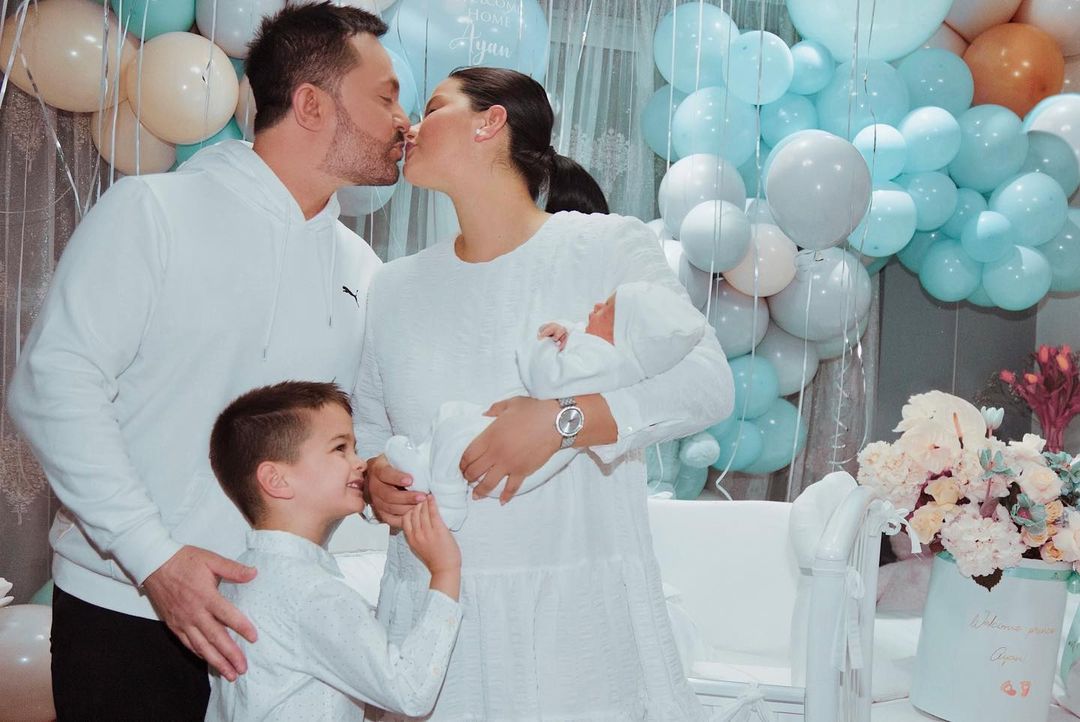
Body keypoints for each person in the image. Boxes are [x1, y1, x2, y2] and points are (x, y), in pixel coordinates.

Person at [5, 3, 409, 718]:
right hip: (128, 608)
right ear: (311, 105)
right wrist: (154, 558)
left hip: (278, 631)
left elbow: (358, 431)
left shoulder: (362, 268)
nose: (404, 121)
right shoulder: (153, 211)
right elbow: (53, 387)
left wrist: (379, 475)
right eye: (385, 98)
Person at [358, 66, 734, 720]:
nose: (410, 127)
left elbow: (708, 382)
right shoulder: (393, 287)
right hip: (430, 623)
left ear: (490, 121)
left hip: (570, 630)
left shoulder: (603, 247)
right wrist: (375, 480)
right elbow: (369, 427)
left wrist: (562, 421)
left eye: (433, 107)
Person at [204, 381, 462, 721]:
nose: (360, 463)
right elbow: (409, 692)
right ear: (276, 480)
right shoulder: (314, 594)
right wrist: (445, 572)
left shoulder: (238, 581)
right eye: (340, 448)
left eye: (354, 448)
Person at [385, 280, 706, 530]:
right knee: (453, 413)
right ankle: (423, 458)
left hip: (516, 459)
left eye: (607, 309)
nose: (596, 306)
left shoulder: (604, 360)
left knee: (454, 431)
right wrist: (569, 333)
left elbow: (546, 381)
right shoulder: (606, 358)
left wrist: (543, 344)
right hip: (521, 443)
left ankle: (446, 499)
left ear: (623, 332)